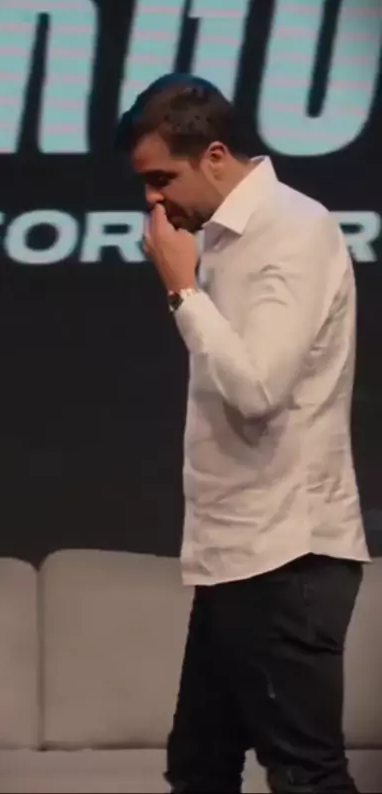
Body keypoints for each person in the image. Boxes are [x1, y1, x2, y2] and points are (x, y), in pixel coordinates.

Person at [116, 74, 370, 794]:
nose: (153, 203)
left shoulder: (293, 229)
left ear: (215, 155)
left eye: (163, 179)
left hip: (285, 555)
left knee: (305, 775)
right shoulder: (223, 238)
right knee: (200, 766)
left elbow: (258, 390)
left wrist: (182, 289)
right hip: (239, 555)